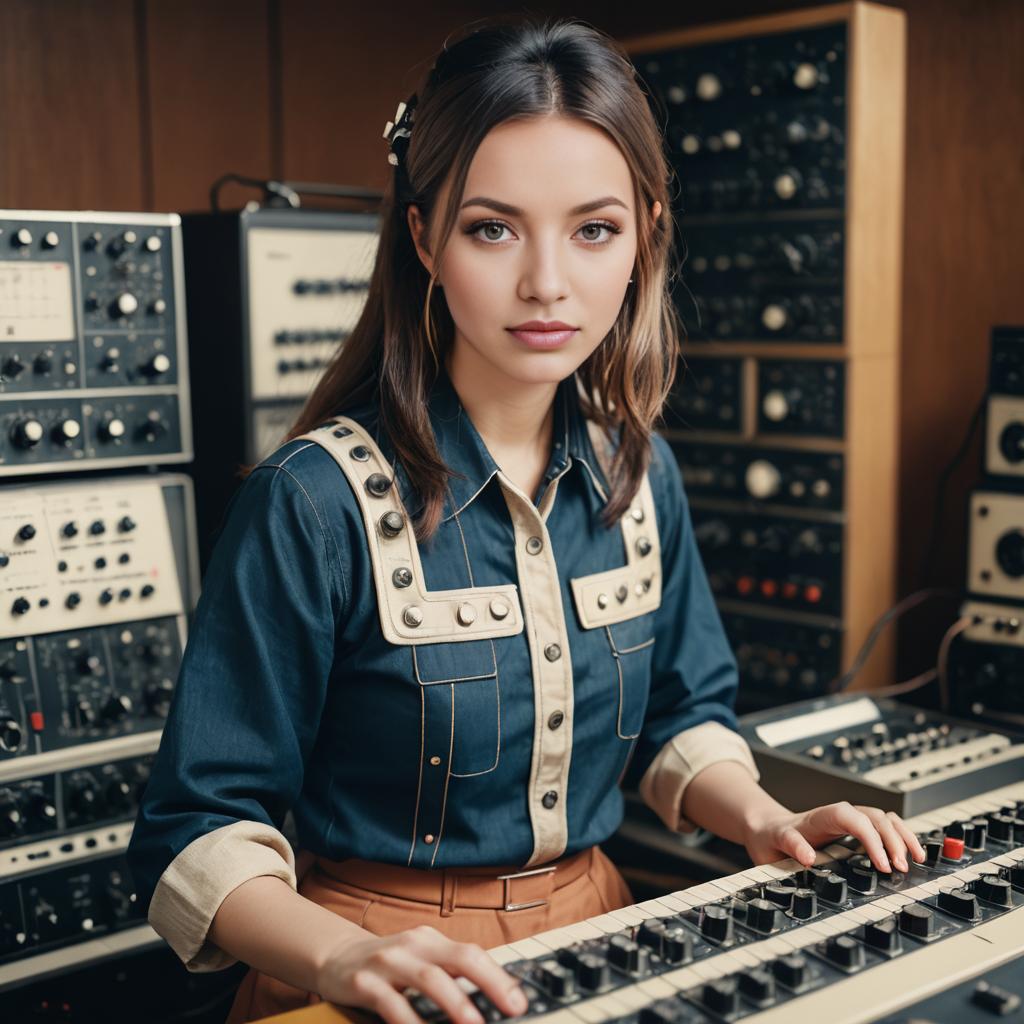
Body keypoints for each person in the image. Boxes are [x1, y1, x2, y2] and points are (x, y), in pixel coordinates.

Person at [127, 16, 925, 1024]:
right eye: (491, 227)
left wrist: (766, 818)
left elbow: (683, 716)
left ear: (645, 234)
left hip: (599, 926)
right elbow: (194, 829)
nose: (547, 282)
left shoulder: (640, 471)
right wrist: (341, 956)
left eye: (593, 229)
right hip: (373, 960)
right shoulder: (310, 499)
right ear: (424, 237)